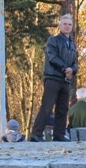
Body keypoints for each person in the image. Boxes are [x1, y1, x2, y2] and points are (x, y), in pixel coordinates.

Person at [30, 14, 78, 142]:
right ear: (59, 26)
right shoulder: (53, 40)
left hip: (65, 80)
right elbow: (52, 58)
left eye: (69, 24)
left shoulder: (72, 45)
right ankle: (36, 134)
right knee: (47, 106)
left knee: (63, 109)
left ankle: (59, 135)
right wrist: (65, 68)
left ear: (72, 27)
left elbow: (75, 63)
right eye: (65, 24)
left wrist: (72, 70)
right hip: (53, 78)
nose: (67, 26)